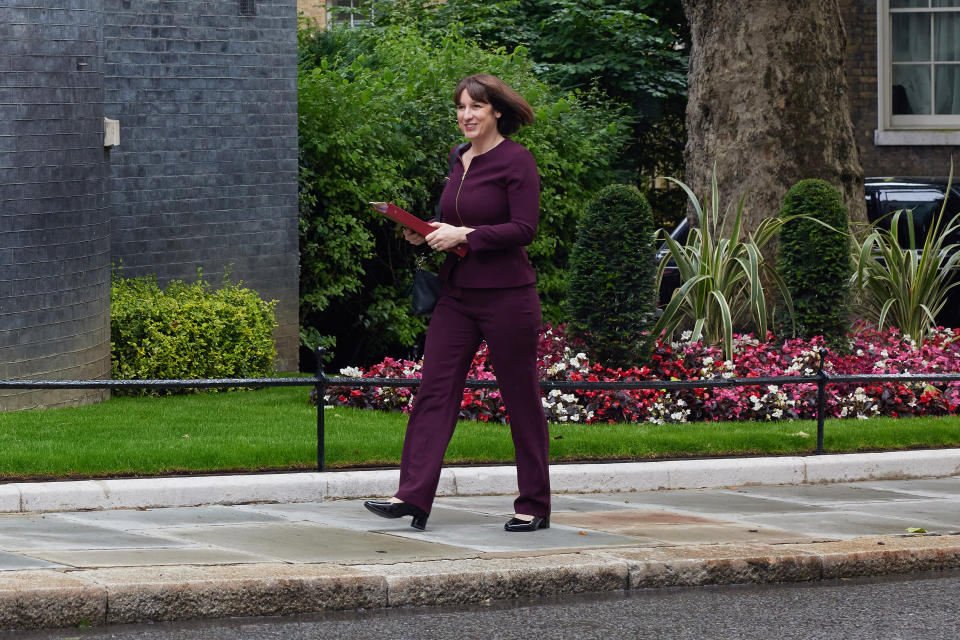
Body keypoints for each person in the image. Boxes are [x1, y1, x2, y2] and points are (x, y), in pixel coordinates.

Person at [364, 74, 550, 533]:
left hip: (508, 297)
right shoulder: (458, 157)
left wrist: (464, 235)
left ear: (497, 112)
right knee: (434, 390)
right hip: (458, 294)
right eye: (461, 108)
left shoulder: (517, 161)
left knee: (521, 397)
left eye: (476, 108)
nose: (466, 116)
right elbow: (457, 217)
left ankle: (534, 505)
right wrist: (428, 230)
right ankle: (412, 496)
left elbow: (524, 229)